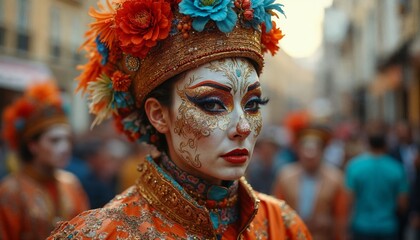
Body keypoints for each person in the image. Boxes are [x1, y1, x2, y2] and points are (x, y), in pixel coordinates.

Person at [48, 0, 312, 239]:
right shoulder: (101, 235)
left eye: (253, 105)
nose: (243, 127)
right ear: (159, 115)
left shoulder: (284, 226)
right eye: (212, 104)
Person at [0, 81, 89, 239]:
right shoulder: (10, 191)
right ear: (32, 145)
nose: (65, 147)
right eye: (55, 140)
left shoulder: (71, 185)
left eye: (68, 139)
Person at [272, 125, 348, 240]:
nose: (310, 156)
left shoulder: (335, 179)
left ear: (322, 152)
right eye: (305, 149)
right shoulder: (285, 176)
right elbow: (276, 212)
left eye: (315, 149)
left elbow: (341, 218)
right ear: (298, 151)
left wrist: (328, 222)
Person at [345, 121, 409, 240]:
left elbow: (349, 201)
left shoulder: (354, 166)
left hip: (361, 227)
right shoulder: (397, 168)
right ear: (386, 144)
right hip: (388, 226)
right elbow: (403, 204)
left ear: (368, 143)